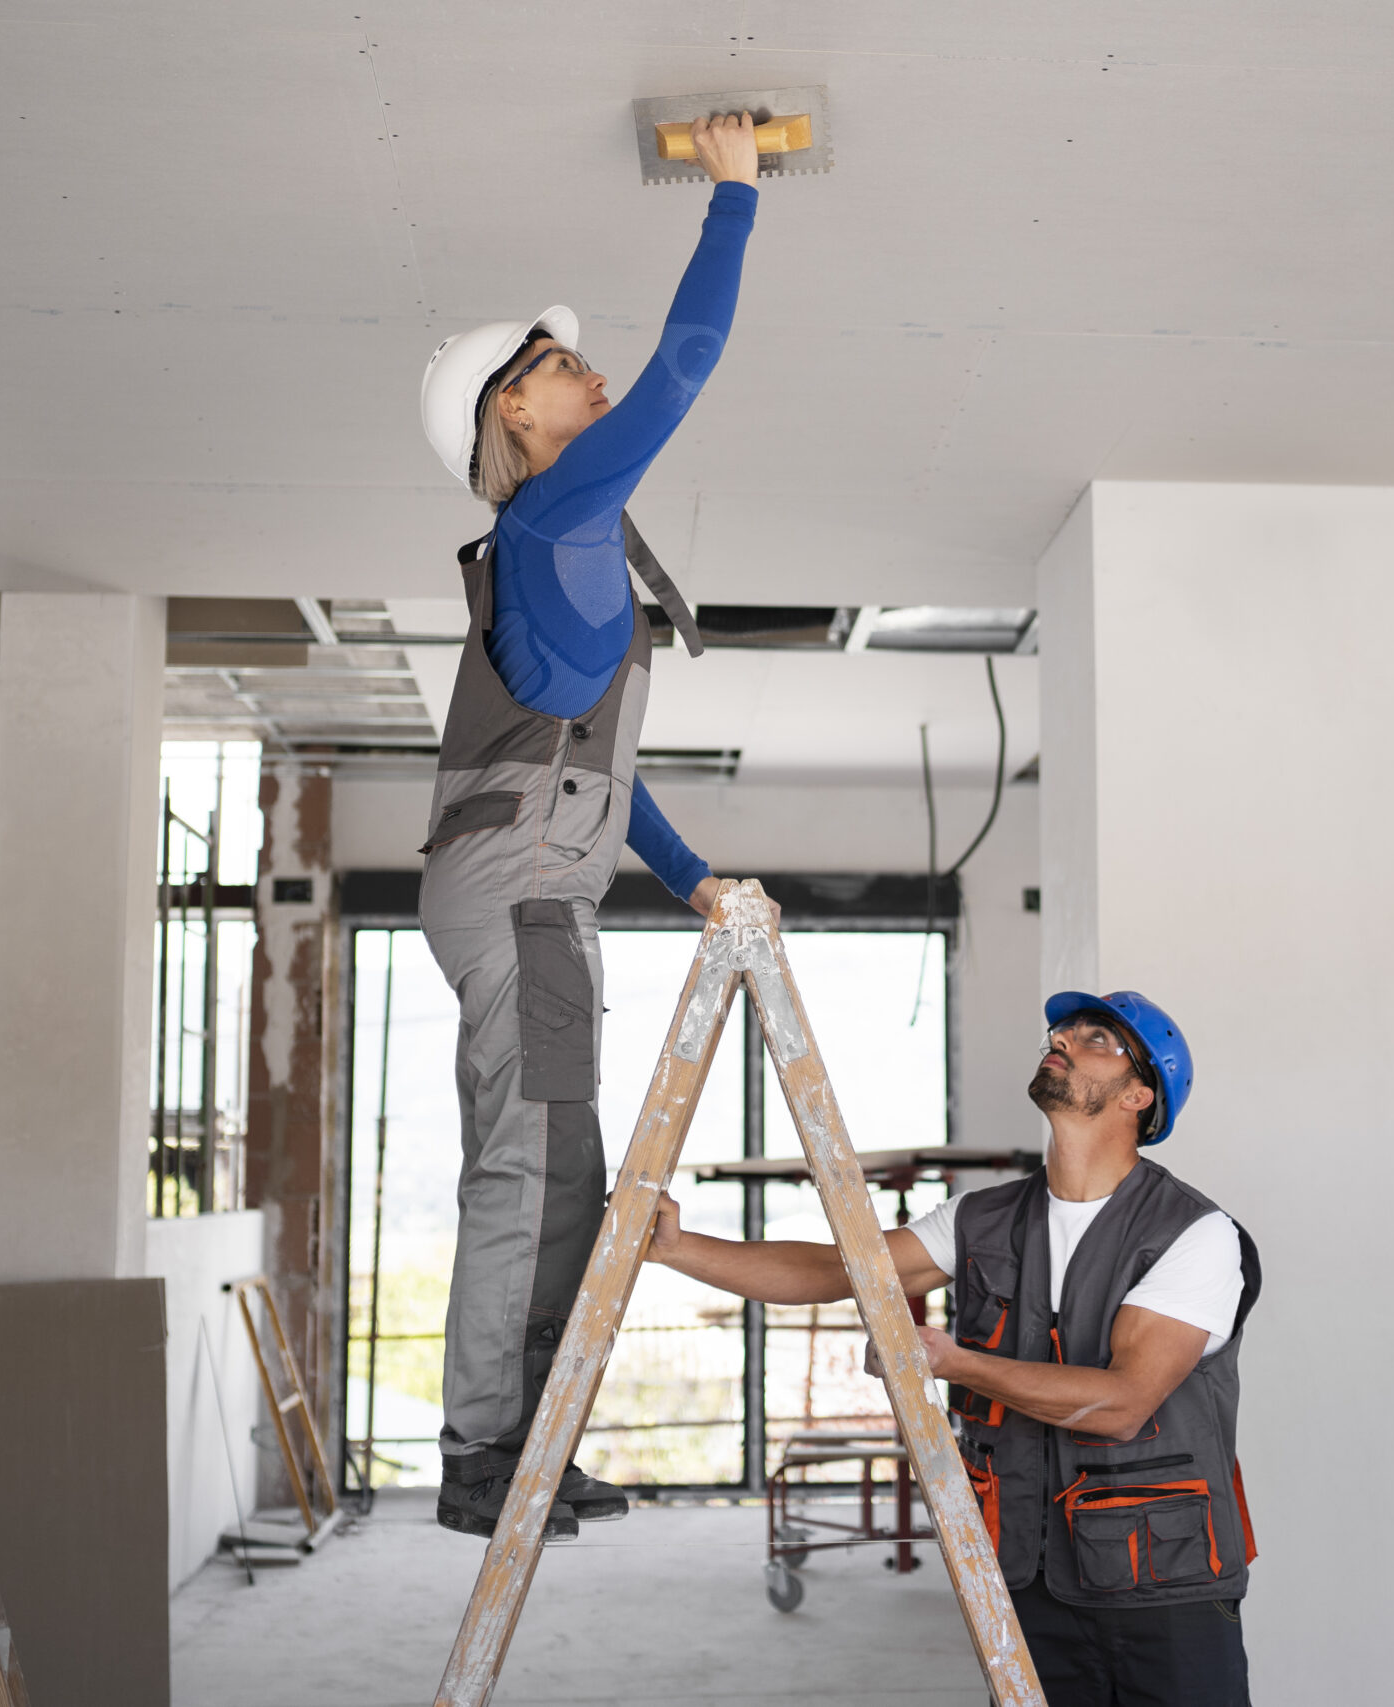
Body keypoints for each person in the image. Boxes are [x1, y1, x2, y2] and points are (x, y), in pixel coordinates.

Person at [411, 113, 766, 1540]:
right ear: (517, 418)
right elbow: (683, 369)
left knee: (558, 1169)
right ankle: (487, 1453)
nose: (595, 377)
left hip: (520, 881)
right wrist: (734, 196)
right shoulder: (555, 517)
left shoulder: (555, 545)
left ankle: (524, 1441)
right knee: (532, 1168)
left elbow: (597, 778)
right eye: (563, 369)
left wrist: (683, 875)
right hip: (522, 895)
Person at [650, 991, 1260, 1707]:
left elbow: (1123, 1403)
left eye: (1097, 1037)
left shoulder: (1195, 1233)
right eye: (1062, 1027)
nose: (1062, 1036)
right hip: (1027, 1580)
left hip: (1166, 1589)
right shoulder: (982, 1218)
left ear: (1139, 1094)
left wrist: (951, 1361)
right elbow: (835, 1269)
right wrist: (678, 1248)